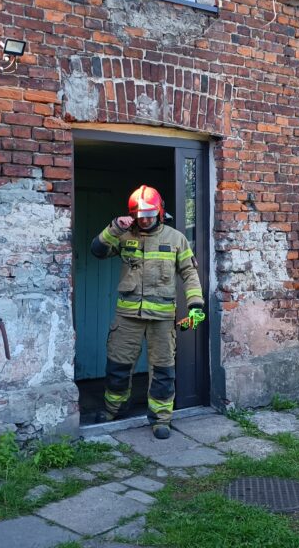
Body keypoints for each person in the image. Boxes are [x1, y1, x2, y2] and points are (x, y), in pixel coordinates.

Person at [90, 185, 204, 439]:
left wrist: (196, 305)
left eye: (149, 215)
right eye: (140, 215)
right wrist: (114, 228)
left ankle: (161, 418)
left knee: (163, 371)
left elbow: (189, 273)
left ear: (160, 212)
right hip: (127, 317)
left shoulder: (176, 238)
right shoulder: (123, 235)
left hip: (162, 320)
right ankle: (114, 409)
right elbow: (97, 251)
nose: (144, 220)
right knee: (117, 367)